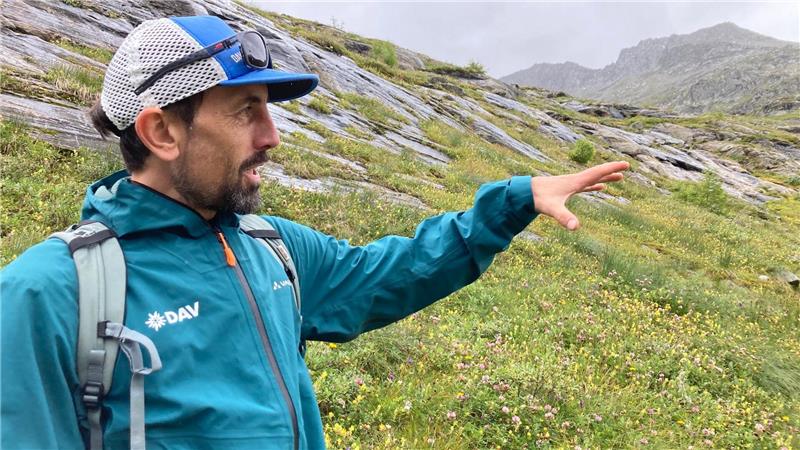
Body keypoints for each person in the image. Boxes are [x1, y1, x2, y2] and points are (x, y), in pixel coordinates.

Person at [0, 15, 629, 450]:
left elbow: (390, 273)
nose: (271, 137)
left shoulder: (273, 248)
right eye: (247, 112)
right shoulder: (51, 292)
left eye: (269, 110)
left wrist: (508, 204)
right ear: (162, 132)